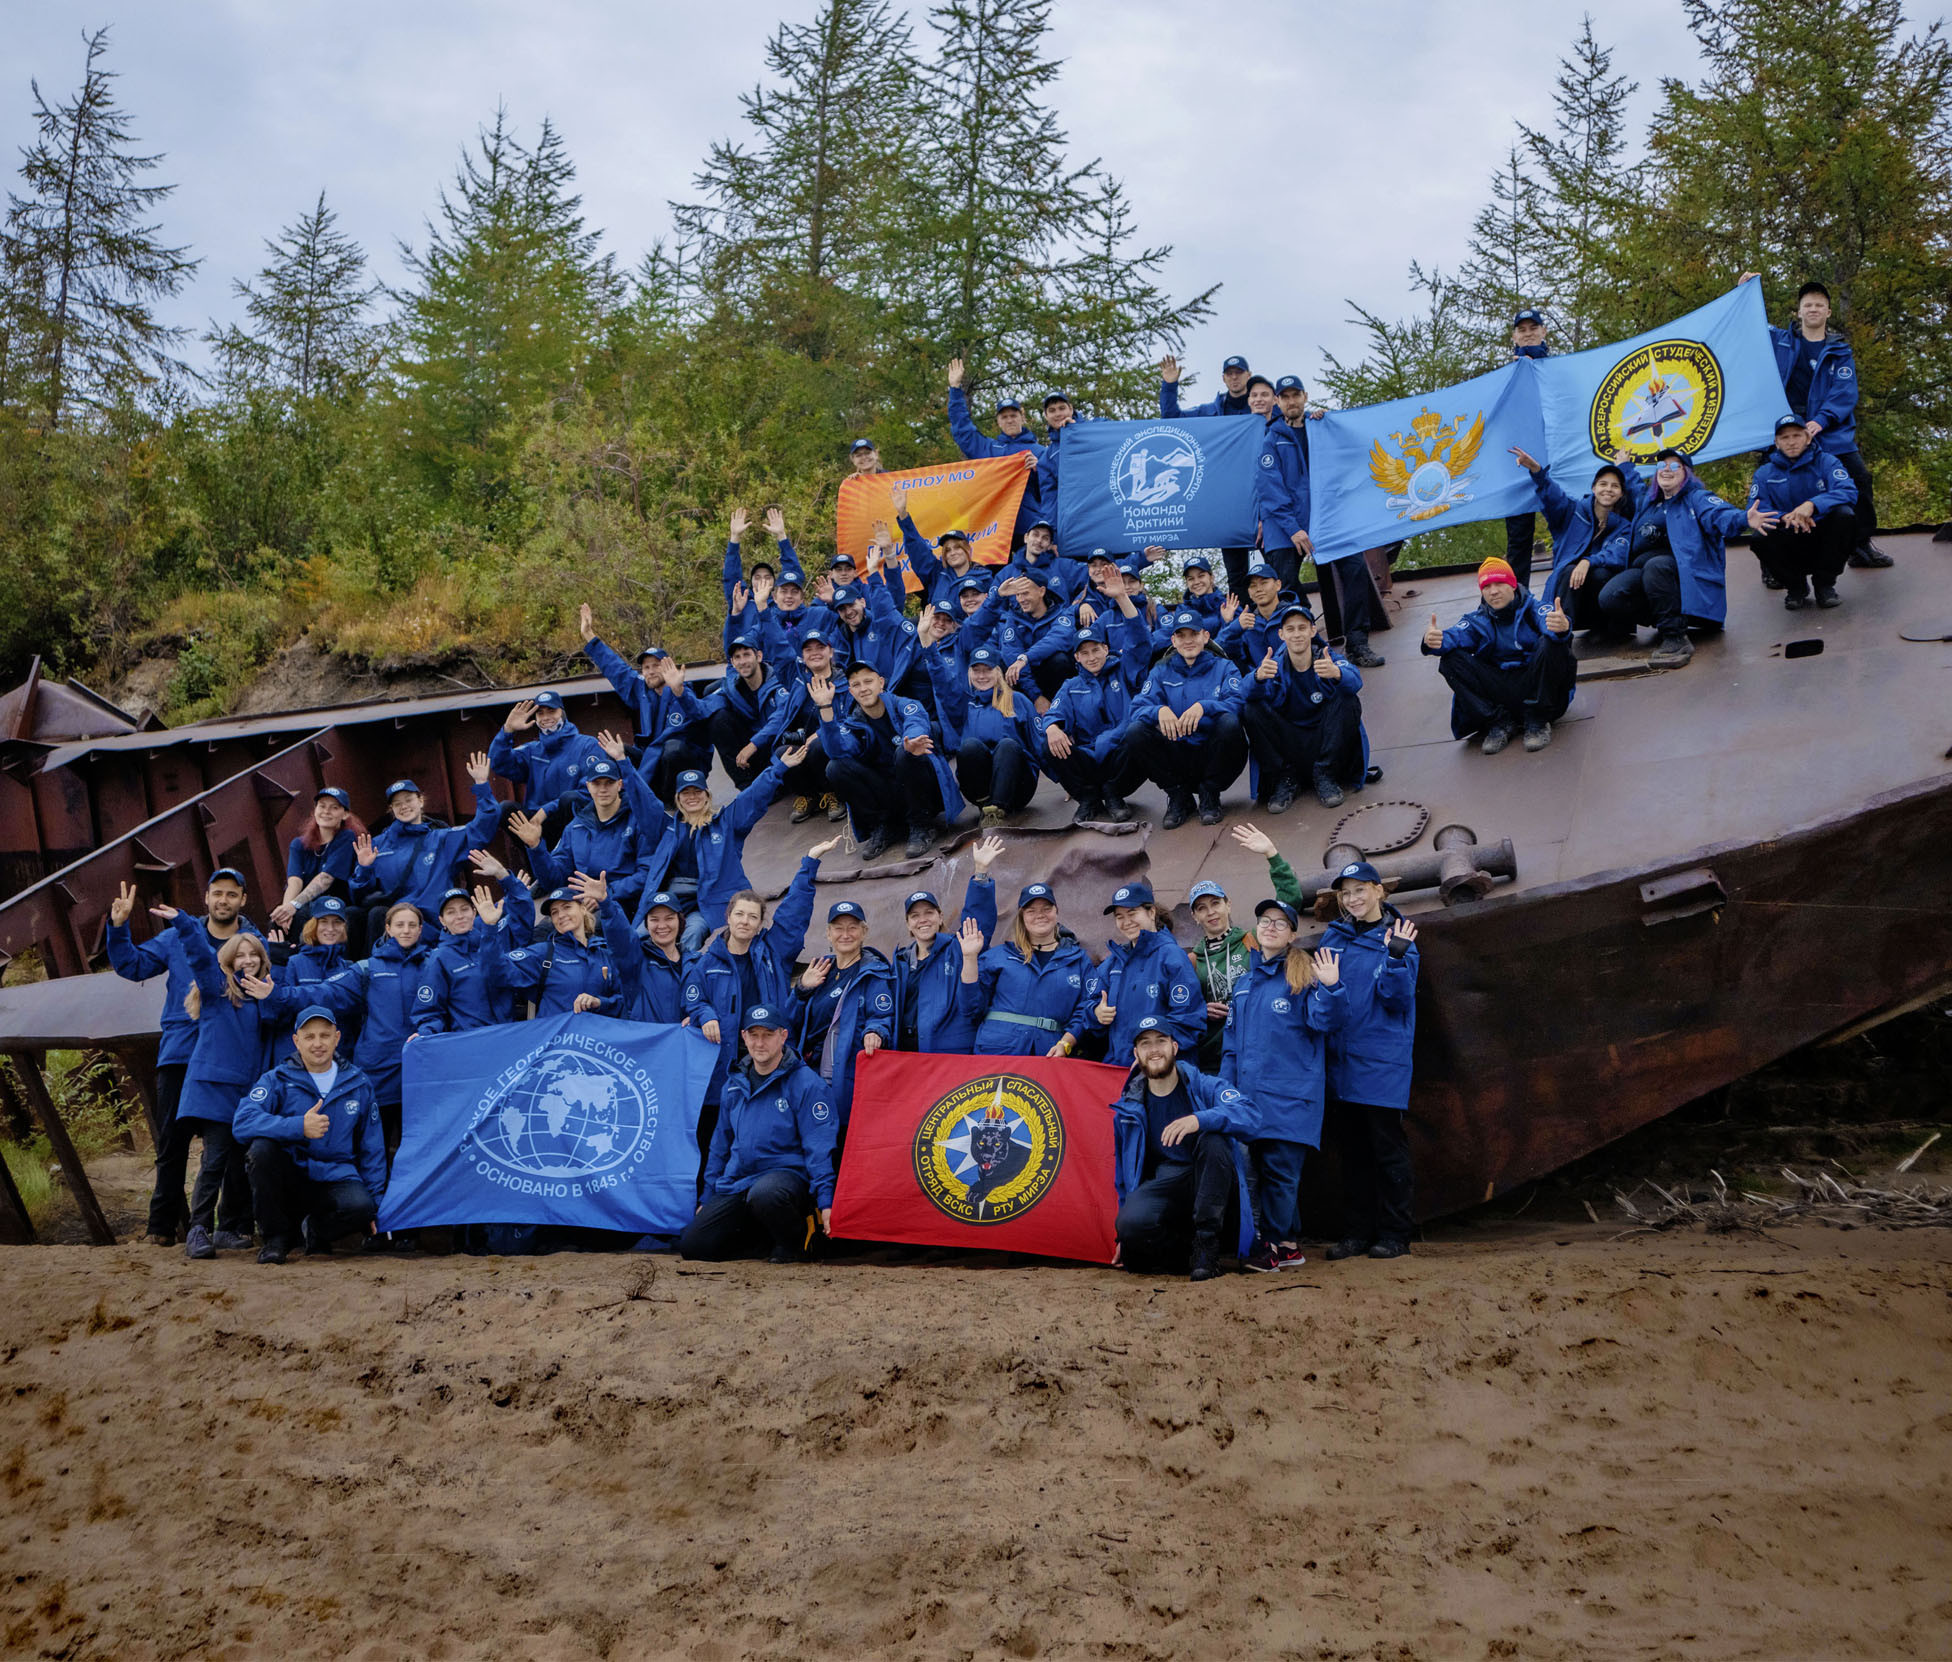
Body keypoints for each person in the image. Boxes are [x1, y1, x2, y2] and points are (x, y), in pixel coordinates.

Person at [105, 870, 260, 1246]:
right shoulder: (176, 937)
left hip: (229, 1057)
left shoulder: (252, 945)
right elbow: (133, 966)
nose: (223, 900)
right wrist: (119, 927)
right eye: (217, 893)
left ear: (243, 900)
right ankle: (161, 1227)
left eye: (232, 894)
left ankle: (233, 1226)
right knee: (172, 1143)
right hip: (181, 1051)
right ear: (206, 897)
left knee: (233, 1143)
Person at [157, 905, 305, 1259]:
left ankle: (228, 1227)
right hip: (215, 1090)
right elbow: (200, 957)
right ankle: (198, 1229)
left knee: (239, 1163)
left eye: (254, 954)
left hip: (246, 1094)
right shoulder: (218, 990)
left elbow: (282, 1012)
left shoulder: (265, 998)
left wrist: (277, 968)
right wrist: (184, 924)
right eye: (240, 955)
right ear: (229, 960)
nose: (247, 960)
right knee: (215, 1161)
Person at [1221, 900, 1346, 1272]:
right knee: (1262, 1172)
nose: (1270, 927)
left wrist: (1332, 988)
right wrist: (1225, 1093)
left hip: (1292, 1097)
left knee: (1280, 1174)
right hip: (1251, 1098)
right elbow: (1231, 1046)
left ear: (1293, 934)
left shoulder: (1302, 975)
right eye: (1264, 920)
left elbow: (1326, 1022)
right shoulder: (1245, 983)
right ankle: (1288, 1245)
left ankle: (1272, 1246)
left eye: (1280, 922)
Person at [595, 729, 805, 950]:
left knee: (693, 933)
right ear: (678, 798)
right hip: (670, 901)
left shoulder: (726, 823)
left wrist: (778, 768)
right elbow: (643, 800)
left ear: (707, 795)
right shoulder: (665, 827)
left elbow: (753, 796)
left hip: (708, 904)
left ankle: (685, 971)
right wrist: (622, 761)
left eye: (697, 792)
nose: (692, 797)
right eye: (686, 793)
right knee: (637, 938)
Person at [684, 841, 834, 1118]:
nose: (745, 921)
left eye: (753, 917)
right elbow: (693, 999)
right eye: (739, 914)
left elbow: (794, 914)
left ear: (760, 924)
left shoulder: (773, 951)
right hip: (725, 1063)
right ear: (728, 917)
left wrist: (809, 863)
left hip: (769, 1058)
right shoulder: (707, 962)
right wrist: (705, 1015)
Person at [1745, 274, 1887, 568]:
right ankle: (1771, 565)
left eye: (1819, 305)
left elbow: (1845, 393)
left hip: (1829, 432)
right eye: (1807, 305)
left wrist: (1821, 421)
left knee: (1860, 479)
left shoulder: (1840, 351)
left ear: (1828, 312)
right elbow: (1749, 325)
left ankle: (1861, 545)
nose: (1813, 309)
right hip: (1788, 432)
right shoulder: (1781, 341)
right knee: (1766, 486)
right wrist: (1744, 291)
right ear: (1798, 311)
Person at [680, 1005, 839, 1264]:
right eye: (753, 1035)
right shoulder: (733, 1085)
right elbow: (720, 1146)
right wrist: (707, 1197)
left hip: (785, 1180)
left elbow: (819, 1148)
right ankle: (764, 1242)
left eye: (768, 1035)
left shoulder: (807, 1084)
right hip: (739, 1181)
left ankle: (800, 1242)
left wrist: (825, 1201)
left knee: (766, 1195)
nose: (760, 1043)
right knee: (693, 1245)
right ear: (744, 1037)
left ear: (783, 1036)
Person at [1320, 860, 1419, 1261]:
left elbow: (1398, 1000)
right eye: (1345, 893)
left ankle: (1395, 1234)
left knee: (1387, 1151)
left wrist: (1395, 960)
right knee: (1353, 1153)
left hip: (1380, 1063)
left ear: (1379, 890)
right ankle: (1357, 1233)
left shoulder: (1399, 936)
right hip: (1341, 1063)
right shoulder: (1335, 936)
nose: (1352, 899)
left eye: (1360, 889)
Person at [234, 1007, 388, 1264]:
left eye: (325, 1036)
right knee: (261, 1150)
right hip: (293, 1174)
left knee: (362, 1208)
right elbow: (242, 1122)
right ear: (297, 1041)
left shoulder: (358, 1083)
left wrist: (377, 1205)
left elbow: (372, 1148)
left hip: (337, 1175)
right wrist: (298, 1126)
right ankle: (276, 1239)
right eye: (309, 1037)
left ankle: (315, 1230)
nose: (318, 1044)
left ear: (337, 1038)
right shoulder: (277, 1079)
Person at [1111, 1018, 1261, 1281]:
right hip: (1166, 1185)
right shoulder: (1129, 1108)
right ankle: (1187, 1255)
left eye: (1161, 1041)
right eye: (1145, 1044)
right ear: (1136, 1054)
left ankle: (1207, 1247)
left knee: (1214, 1139)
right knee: (1131, 1231)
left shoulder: (1203, 1085)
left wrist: (1199, 1120)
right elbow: (1123, 1177)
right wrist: (1124, 1235)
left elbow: (1250, 1115)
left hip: (1211, 1182)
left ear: (1175, 1047)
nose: (1154, 1050)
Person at [1602, 448, 1766, 669]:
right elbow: (1633, 485)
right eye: (1661, 465)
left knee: (1657, 566)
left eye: (1674, 466)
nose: (1666, 470)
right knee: (1611, 597)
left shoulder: (1696, 498)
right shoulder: (1648, 501)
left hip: (1686, 581)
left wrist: (1744, 518)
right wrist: (1623, 465)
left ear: (1686, 472)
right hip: (1649, 575)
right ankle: (1668, 617)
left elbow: (1719, 514)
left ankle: (1675, 638)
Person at [302, 901, 431, 1167]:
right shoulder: (367, 968)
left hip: (421, 1071)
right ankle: (376, 1193)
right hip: (378, 1072)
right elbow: (324, 993)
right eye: (399, 925)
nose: (406, 930)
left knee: (418, 1146)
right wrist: (275, 994)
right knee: (376, 1148)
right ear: (388, 928)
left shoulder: (433, 964)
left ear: (421, 930)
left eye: (412, 925)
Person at [1183, 824, 1310, 1071]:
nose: (1211, 912)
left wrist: (1272, 855)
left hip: (1258, 1048)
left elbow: (1289, 900)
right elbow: (1181, 1009)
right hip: (1215, 1058)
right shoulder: (1192, 961)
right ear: (1194, 917)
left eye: (1215, 903)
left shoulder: (1253, 940)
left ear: (1228, 905)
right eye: (1201, 908)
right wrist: (1201, 1010)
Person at [1421, 557, 1576, 754]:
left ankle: (1538, 720)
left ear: (1513, 585)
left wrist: (1562, 626)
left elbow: (1549, 621)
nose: (1493, 591)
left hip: (1537, 687)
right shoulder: (1477, 620)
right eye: (1486, 586)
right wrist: (1434, 640)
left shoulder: (1535, 608)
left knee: (1552, 643)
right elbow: (1455, 635)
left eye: (1499, 583)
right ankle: (1499, 722)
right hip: (1502, 690)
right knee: (1451, 660)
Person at [817, 661, 963, 861]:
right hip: (890, 794)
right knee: (836, 768)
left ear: (881, 683)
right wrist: (825, 709)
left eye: (868, 681)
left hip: (924, 791)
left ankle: (922, 825)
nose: (863, 688)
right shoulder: (854, 723)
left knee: (905, 753)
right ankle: (885, 825)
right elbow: (838, 751)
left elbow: (916, 721)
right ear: (851, 692)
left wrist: (911, 740)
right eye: (856, 685)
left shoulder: (903, 704)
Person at [348, 756, 504, 935]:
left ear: (420, 801)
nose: (404, 806)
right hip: (398, 927)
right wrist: (364, 869)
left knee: (379, 915)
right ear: (391, 810)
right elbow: (359, 898)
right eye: (397, 804)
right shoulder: (377, 845)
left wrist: (482, 785)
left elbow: (482, 828)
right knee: (360, 914)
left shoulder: (441, 839)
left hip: (431, 925)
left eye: (408, 800)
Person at [1126, 610, 1248, 828]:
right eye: (1181, 636)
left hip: (1212, 753)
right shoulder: (1160, 670)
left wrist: (1205, 707)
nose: (1188, 641)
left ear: (1205, 636)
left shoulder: (1224, 667)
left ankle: (1210, 794)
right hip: (1178, 753)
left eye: (1194, 634)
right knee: (1136, 731)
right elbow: (1136, 708)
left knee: (1230, 724)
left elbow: (1238, 702)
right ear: (1173, 640)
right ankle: (1179, 796)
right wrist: (1159, 711)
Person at [578, 605, 713, 801]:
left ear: (668, 667)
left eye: (656, 666)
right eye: (646, 667)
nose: (650, 671)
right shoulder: (642, 690)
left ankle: (670, 804)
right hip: (653, 762)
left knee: (672, 748)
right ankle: (621, 803)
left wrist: (679, 691)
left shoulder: (682, 692)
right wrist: (589, 635)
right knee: (617, 750)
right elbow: (616, 669)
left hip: (683, 764)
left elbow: (699, 715)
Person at [1243, 601, 1368, 808]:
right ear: (1281, 634)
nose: (1297, 634)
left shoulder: (1327, 658)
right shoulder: (1273, 665)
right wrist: (1256, 677)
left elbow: (1356, 681)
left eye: (1302, 628)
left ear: (1312, 631)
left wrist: (1337, 673)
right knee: (1251, 709)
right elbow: (1244, 693)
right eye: (1290, 629)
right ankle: (1285, 778)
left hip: (1324, 739)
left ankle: (1325, 773)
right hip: (1291, 743)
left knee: (1347, 698)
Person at [1507, 446, 1638, 637]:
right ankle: (1560, 634)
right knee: (1569, 570)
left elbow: (1618, 554)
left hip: (1600, 601)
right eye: (1603, 484)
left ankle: (1605, 626)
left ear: (1621, 493)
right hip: (1567, 594)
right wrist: (1537, 471)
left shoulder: (1623, 526)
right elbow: (1554, 497)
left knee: (1601, 573)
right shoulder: (1572, 512)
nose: (1608, 489)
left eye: (1615, 486)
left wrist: (1587, 562)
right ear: (1593, 488)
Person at [960, 882, 1097, 1058]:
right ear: (1021, 916)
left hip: (1049, 1053)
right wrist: (970, 958)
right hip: (998, 1052)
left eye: (1046, 909)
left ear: (1056, 911)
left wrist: (1066, 1043)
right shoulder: (999, 956)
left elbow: (1086, 1008)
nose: (1040, 915)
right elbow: (971, 1008)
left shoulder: (1078, 960)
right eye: (1031, 911)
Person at [890, 838, 1001, 1054]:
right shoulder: (900, 962)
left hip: (949, 1056)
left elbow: (977, 920)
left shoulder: (957, 948)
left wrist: (980, 873)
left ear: (940, 917)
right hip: (906, 1056)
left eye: (929, 913)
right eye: (915, 916)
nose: (923, 920)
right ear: (908, 924)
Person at [793, 900, 895, 1134]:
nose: (845, 934)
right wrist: (801, 989)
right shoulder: (820, 969)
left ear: (864, 932)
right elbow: (791, 1019)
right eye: (838, 928)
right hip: (809, 1071)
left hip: (845, 1074)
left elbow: (881, 1014)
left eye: (852, 928)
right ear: (828, 934)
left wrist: (875, 1031)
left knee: (841, 1134)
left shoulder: (873, 973)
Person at [1038, 619, 1148, 825]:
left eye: (1096, 650)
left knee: (1139, 732)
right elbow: (1054, 713)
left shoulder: (1125, 672)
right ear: (1077, 657)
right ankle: (1088, 799)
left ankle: (1114, 795)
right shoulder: (1071, 686)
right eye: (1085, 653)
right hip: (1089, 758)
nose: (1092, 657)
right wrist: (1052, 727)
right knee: (1049, 743)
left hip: (1119, 757)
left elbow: (1140, 642)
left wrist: (1124, 602)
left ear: (1106, 649)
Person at [514, 757, 651, 921]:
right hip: (579, 904)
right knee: (542, 932)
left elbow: (646, 874)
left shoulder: (638, 820)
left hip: (620, 902)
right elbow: (553, 880)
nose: (603, 789)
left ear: (620, 785)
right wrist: (536, 847)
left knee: (589, 928)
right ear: (588, 786)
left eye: (609, 782)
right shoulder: (576, 827)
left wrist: (605, 893)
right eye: (596, 783)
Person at [1086, 880, 1205, 1065]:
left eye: (1132, 913)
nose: (1126, 922)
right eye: (1119, 916)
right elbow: (1088, 1005)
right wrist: (1096, 1013)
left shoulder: (1172, 957)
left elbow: (1188, 1020)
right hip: (1119, 1069)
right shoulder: (1114, 962)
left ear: (1151, 912)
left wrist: (1151, 1058)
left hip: (1161, 1071)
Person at [1747, 414, 1858, 610]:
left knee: (1845, 515)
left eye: (1796, 436)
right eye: (1785, 437)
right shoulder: (1764, 473)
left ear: (1807, 438)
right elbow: (1756, 509)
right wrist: (1785, 517)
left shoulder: (1827, 462)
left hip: (1822, 531)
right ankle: (1795, 588)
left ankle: (1825, 586)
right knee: (1759, 536)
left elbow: (1848, 491)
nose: (1791, 442)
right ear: (1777, 443)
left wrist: (1812, 505)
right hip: (1788, 533)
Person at [412, 863, 535, 1036]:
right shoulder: (439, 959)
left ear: (474, 912)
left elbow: (523, 920)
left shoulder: (495, 940)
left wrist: (510, 883)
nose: (459, 916)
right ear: (442, 920)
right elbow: (429, 1008)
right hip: (471, 1041)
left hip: (509, 1035)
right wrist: (425, 1033)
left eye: (464, 909)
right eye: (451, 912)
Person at [926, 645, 1041, 825]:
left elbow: (1039, 741)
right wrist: (930, 649)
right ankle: (987, 808)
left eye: (987, 670)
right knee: (969, 746)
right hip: (980, 790)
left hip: (1018, 786)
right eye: (976, 670)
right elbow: (944, 684)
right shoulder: (965, 705)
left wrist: (1067, 782)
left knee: (1007, 745)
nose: (981, 676)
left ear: (998, 672)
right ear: (969, 673)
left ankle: (996, 810)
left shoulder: (1017, 700)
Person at [751, 629, 851, 825]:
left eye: (820, 647)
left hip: (831, 747)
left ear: (830, 651)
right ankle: (809, 796)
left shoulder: (844, 682)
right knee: (783, 752)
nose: (815, 653)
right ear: (803, 656)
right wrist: (763, 612)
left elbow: (848, 719)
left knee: (818, 746)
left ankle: (833, 794)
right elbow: (778, 647)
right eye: (808, 650)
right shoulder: (798, 680)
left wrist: (820, 734)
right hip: (802, 744)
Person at [485, 882, 622, 1019]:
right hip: (557, 1032)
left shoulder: (604, 954)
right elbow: (497, 971)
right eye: (554, 912)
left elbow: (625, 1001)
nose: (561, 915)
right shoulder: (543, 953)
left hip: (597, 1031)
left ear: (583, 909)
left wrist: (599, 1003)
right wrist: (490, 929)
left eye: (567, 907)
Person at [946, 359, 1045, 544]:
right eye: (1004, 417)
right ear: (998, 422)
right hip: (994, 528)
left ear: (1022, 417)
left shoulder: (1039, 452)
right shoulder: (988, 449)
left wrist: (1040, 470)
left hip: (1030, 529)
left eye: (1013, 415)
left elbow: (1056, 489)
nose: (1010, 420)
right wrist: (955, 389)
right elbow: (962, 430)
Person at [487, 692, 603, 822]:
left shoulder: (587, 745)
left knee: (569, 799)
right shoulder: (532, 750)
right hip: (536, 822)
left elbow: (592, 790)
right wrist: (507, 731)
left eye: (551, 711)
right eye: (540, 713)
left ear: (562, 713)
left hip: (571, 822)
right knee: (505, 809)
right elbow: (499, 764)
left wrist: (546, 810)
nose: (546, 717)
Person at [590, 885, 693, 1026]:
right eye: (654, 919)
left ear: (680, 920)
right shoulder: (635, 958)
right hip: (645, 1038)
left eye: (669, 918)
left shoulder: (695, 962)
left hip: (682, 1039)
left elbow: (706, 1002)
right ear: (646, 924)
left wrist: (697, 1017)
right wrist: (606, 904)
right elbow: (620, 936)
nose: (662, 926)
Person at [1502, 307, 1552, 587]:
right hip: (1519, 465)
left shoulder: (1558, 369)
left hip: (1555, 459)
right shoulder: (1505, 375)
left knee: (1566, 526)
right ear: (1514, 337)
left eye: (1534, 328)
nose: (1528, 334)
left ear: (1543, 331)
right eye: (1522, 330)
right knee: (1519, 537)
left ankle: (1570, 597)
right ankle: (1516, 599)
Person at [273, 787, 365, 936]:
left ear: (345, 814)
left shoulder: (346, 837)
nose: (326, 811)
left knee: (303, 916)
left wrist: (294, 905)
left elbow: (326, 879)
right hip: (309, 905)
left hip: (337, 905)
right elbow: (294, 882)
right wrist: (285, 910)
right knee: (277, 921)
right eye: (322, 806)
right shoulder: (298, 844)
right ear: (315, 810)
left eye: (334, 808)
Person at [705, 631, 783, 791]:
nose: (742, 661)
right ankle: (746, 788)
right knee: (718, 719)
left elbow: (781, 716)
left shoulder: (778, 681)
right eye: (737, 657)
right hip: (751, 752)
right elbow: (703, 707)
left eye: (747, 655)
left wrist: (753, 744)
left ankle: (778, 786)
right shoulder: (730, 688)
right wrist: (681, 694)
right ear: (732, 663)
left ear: (759, 656)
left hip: (776, 746)